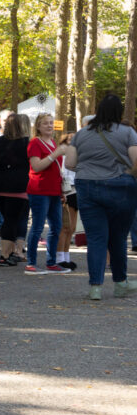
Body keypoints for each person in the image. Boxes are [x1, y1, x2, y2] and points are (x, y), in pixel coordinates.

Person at [64, 94, 137, 300]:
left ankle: (95, 286)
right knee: (118, 238)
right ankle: (120, 283)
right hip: (121, 187)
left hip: (87, 187)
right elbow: (136, 161)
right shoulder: (127, 132)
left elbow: (69, 163)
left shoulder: (81, 134)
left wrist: (90, 169)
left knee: (96, 238)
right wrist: (126, 175)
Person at [0, 113, 30, 267]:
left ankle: (8, 253)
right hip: (19, 187)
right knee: (11, 220)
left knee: (9, 219)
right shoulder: (26, 143)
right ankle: (5, 255)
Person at [25, 112, 69, 274]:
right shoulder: (35, 143)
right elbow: (36, 166)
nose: (49, 126)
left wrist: (62, 189)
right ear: (38, 126)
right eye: (45, 123)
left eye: (51, 123)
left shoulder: (53, 143)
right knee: (37, 227)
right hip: (39, 190)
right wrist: (55, 154)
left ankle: (51, 262)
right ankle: (31, 263)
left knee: (56, 226)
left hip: (54, 191)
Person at [57, 132, 79, 270]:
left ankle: (66, 256)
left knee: (71, 228)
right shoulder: (61, 156)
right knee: (64, 227)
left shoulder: (80, 155)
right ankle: (60, 258)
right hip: (67, 191)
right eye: (69, 139)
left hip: (78, 191)